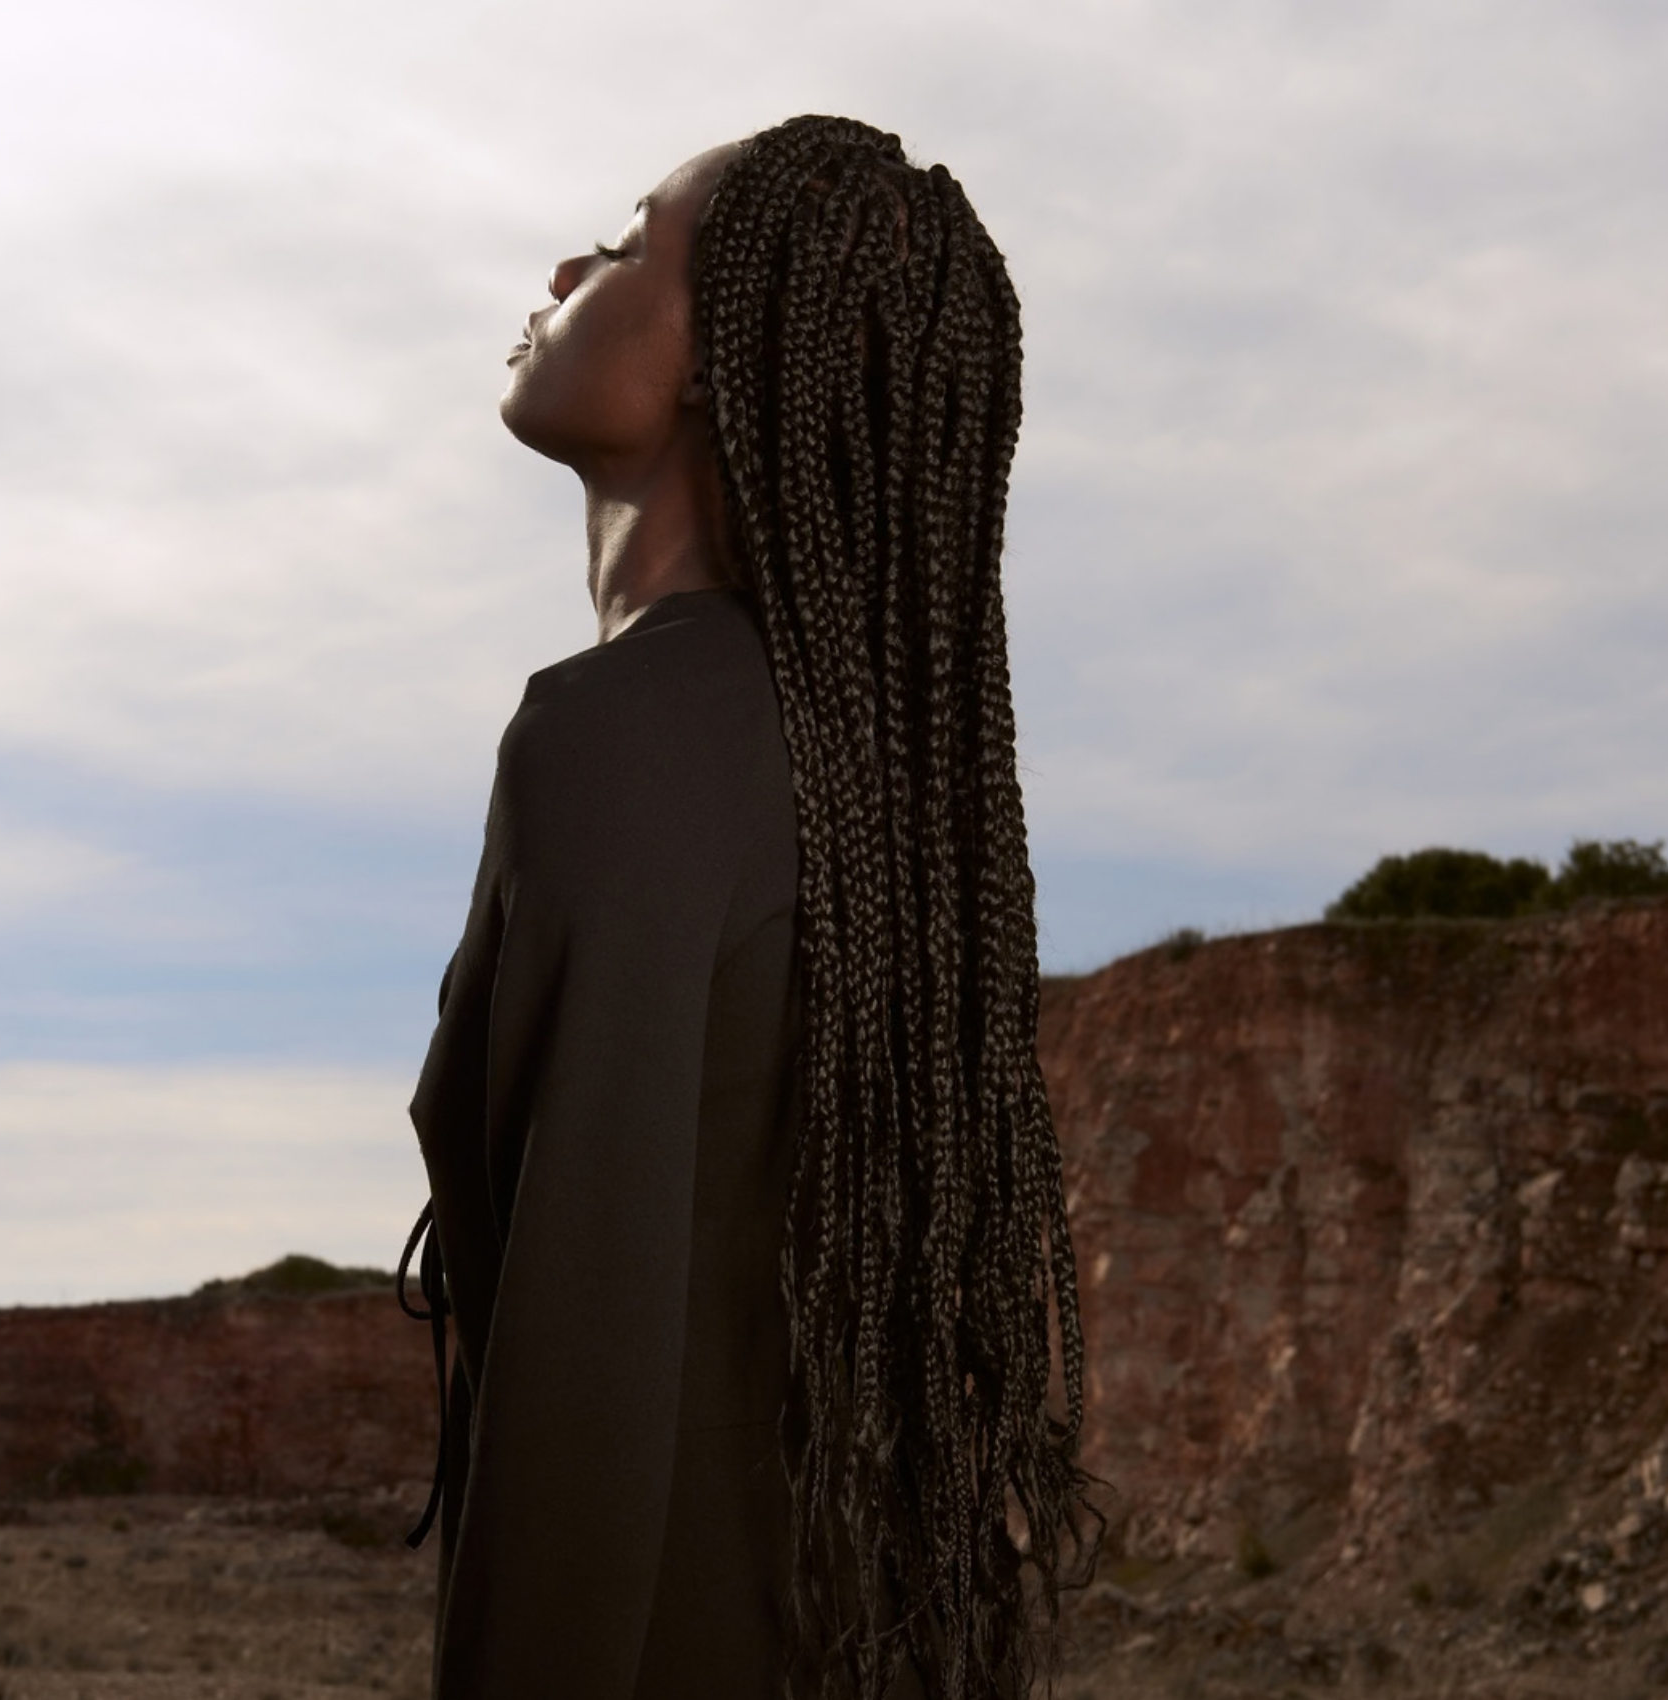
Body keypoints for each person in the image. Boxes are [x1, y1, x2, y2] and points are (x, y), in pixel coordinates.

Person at [398, 114, 1097, 1700]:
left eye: (631, 246)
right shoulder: (853, 775)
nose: (568, 268)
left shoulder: (626, 739)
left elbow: (587, 1390)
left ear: (729, 358)